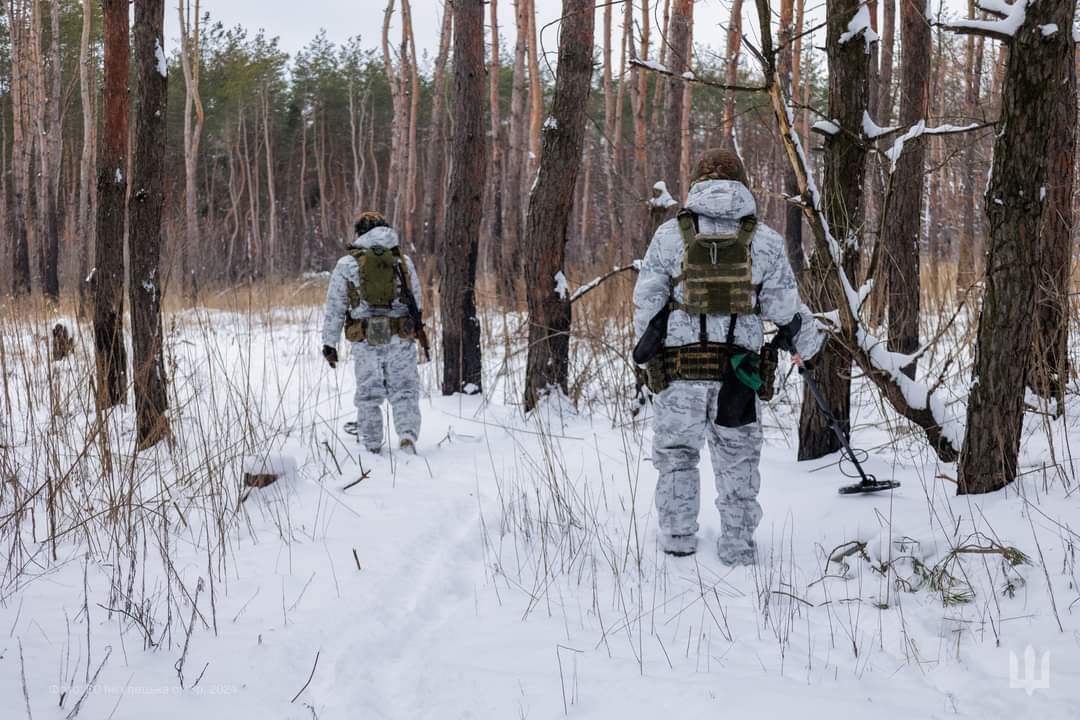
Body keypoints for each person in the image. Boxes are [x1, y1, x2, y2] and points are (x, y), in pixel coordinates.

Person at [632, 148, 823, 564]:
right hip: (738, 374)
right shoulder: (766, 241)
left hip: (678, 374)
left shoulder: (668, 236)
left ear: (696, 183)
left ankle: (678, 539)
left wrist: (646, 358)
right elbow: (785, 309)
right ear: (742, 183)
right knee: (737, 463)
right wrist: (808, 347)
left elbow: (646, 304)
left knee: (678, 457)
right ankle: (737, 548)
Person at [321, 212, 424, 455]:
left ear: (360, 233)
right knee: (405, 389)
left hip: (366, 337)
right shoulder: (403, 261)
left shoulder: (347, 264)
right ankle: (407, 436)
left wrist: (329, 343)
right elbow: (416, 301)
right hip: (400, 334)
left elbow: (335, 307)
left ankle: (372, 443)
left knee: (368, 393)